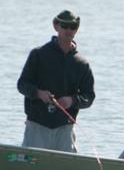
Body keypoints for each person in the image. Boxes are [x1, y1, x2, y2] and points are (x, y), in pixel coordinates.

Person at [16, 9, 95, 152]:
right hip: (37, 124)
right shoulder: (38, 54)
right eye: (65, 26)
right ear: (56, 26)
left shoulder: (81, 63)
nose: (69, 30)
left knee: (67, 165)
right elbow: (22, 84)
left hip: (65, 128)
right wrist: (39, 93)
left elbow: (89, 96)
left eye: (73, 27)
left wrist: (71, 100)